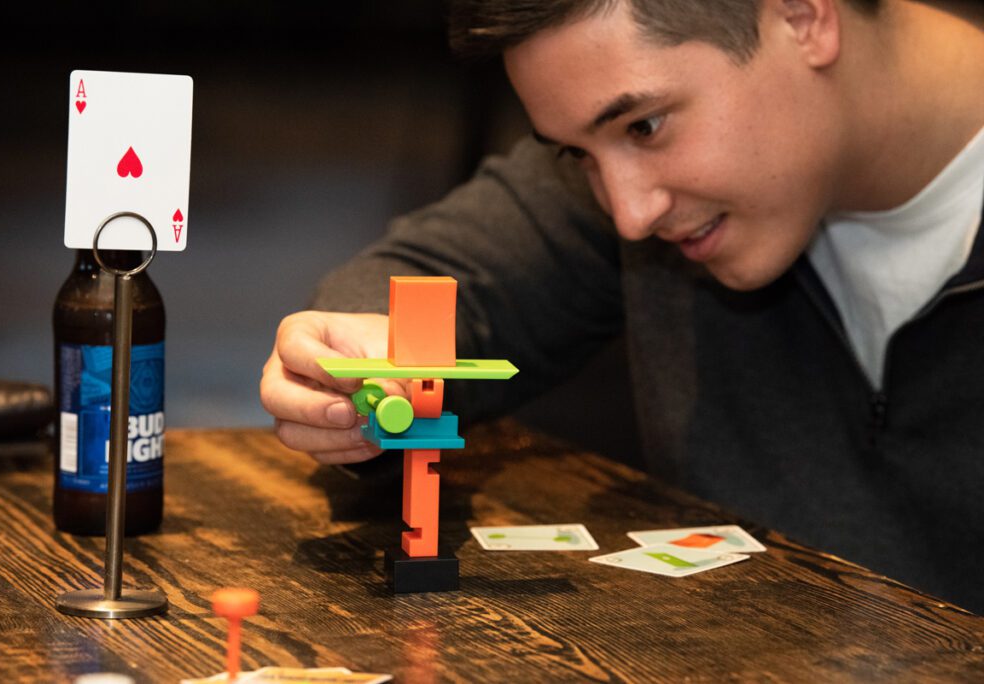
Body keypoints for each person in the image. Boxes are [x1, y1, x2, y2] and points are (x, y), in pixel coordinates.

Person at [261, 0, 984, 612]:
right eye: (576, 154)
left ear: (801, 15)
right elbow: (426, 276)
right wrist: (356, 370)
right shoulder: (650, 189)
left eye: (644, 127)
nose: (630, 215)